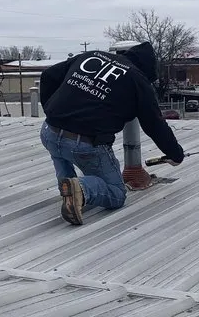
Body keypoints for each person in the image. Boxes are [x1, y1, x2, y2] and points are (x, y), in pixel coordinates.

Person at [38, 40, 185, 225]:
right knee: (116, 193)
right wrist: (175, 154)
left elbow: (48, 75)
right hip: (84, 144)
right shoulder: (138, 79)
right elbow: (154, 123)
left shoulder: (91, 55)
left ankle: (68, 188)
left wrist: (52, 112)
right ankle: (80, 189)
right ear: (147, 70)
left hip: (49, 133)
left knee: (60, 153)